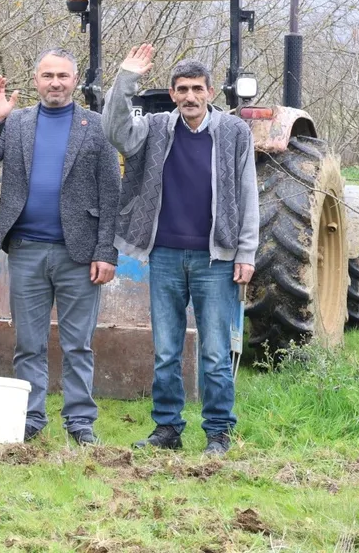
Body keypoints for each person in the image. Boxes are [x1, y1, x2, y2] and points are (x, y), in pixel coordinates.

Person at [102, 43, 258, 456]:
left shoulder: (234, 132)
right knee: (167, 351)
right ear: (172, 93)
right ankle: (167, 429)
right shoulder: (154, 127)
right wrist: (126, 78)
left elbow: (248, 195)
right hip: (166, 256)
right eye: (182, 89)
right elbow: (115, 131)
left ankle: (218, 432)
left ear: (210, 92)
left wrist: (246, 253)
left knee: (215, 352)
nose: (190, 96)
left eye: (197, 88)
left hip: (215, 259)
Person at [0, 48, 121, 445]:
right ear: (36, 80)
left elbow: (111, 192)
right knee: (28, 343)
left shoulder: (98, 126)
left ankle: (80, 421)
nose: (55, 83)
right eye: (48, 76)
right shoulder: (15, 122)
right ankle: (30, 417)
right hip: (26, 250)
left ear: (75, 80)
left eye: (63, 76)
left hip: (80, 254)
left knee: (78, 344)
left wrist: (106, 251)